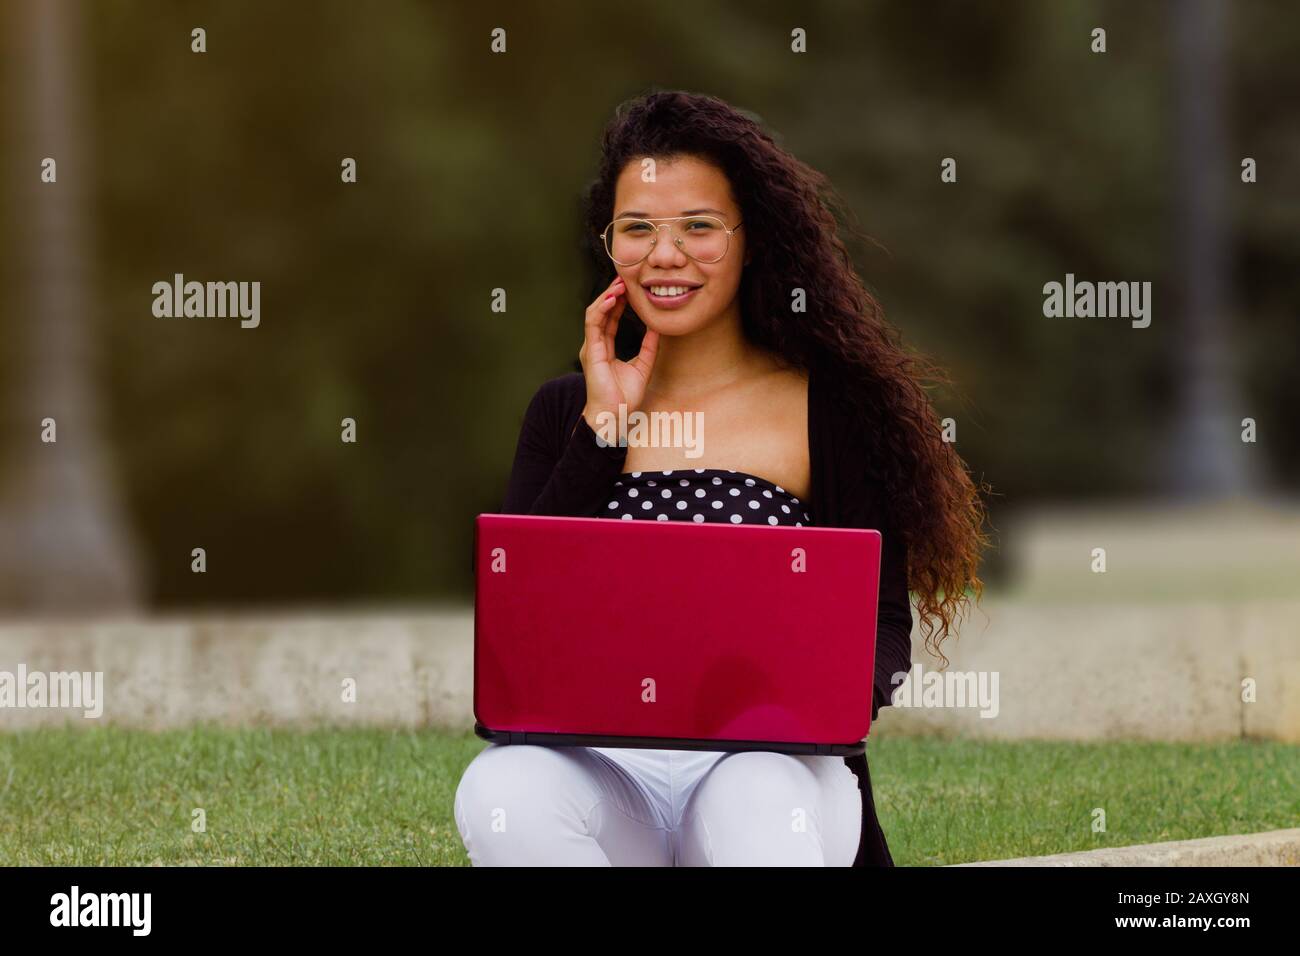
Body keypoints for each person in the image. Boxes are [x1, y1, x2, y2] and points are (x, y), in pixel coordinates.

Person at [455, 89, 988, 866]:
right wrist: (607, 428)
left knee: (751, 800)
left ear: (750, 240)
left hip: (774, 777)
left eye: (698, 228)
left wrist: (806, 710)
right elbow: (519, 627)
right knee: (500, 790)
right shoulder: (562, 412)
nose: (664, 256)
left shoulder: (826, 408)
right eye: (637, 229)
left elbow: (882, 628)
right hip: (612, 776)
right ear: (610, 244)